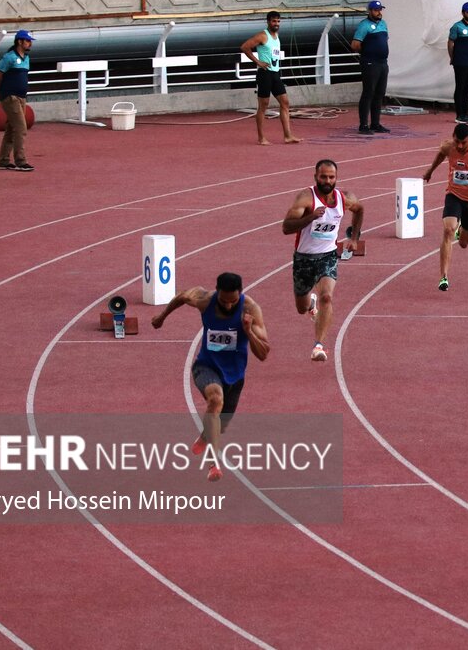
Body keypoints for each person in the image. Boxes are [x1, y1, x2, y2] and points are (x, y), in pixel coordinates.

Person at [150, 272, 270, 482]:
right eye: (224, 301)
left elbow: (264, 353)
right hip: (205, 366)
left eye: (233, 301)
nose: (229, 306)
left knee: (220, 425)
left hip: (235, 375)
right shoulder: (205, 299)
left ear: (240, 294)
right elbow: (181, 296)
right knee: (215, 400)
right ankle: (213, 463)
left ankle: (206, 437)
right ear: (217, 293)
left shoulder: (250, 309)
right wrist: (161, 317)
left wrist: (249, 332)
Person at [282, 159, 364, 361]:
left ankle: (318, 346)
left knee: (327, 297)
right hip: (303, 258)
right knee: (301, 308)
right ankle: (310, 303)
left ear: (336, 178)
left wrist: (354, 238)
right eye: (323, 177)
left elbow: (360, 209)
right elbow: (286, 227)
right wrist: (310, 217)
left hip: (328, 256)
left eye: (331, 177)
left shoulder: (344, 198)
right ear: (315, 177)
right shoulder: (306, 198)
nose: (327, 180)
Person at [422, 123, 468, 291]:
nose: (460, 146)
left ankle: (461, 229)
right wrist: (430, 171)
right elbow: (441, 155)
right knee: (448, 230)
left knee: (463, 243)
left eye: (463, 142)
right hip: (453, 195)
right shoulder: (448, 146)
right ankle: (444, 277)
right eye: (457, 142)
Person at [241, 11, 302, 145]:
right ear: (268, 21)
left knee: (285, 102)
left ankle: (287, 136)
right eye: (274, 21)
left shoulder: (276, 35)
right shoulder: (262, 35)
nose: (276, 24)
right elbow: (245, 47)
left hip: (275, 73)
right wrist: (258, 62)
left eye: (278, 21)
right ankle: (261, 138)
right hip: (264, 74)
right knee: (263, 106)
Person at [0, 29, 35, 172]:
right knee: (21, 128)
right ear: (20, 41)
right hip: (10, 97)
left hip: (21, 97)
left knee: (11, 129)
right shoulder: (9, 57)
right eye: (28, 41)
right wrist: (3, 91)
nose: (30, 44)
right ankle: (20, 161)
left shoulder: (27, 58)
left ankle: (3, 160)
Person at [351, 0, 390, 134]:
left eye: (380, 10)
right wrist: (367, 51)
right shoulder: (364, 25)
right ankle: (363, 125)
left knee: (379, 93)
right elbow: (355, 44)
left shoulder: (383, 24)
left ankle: (375, 123)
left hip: (382, 62)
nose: (378, 12)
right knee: (368, 93)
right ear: (370, 11)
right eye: (375, 10)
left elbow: (385, 40)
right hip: (370, 62)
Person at [448, 1, 468, 124]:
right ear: (463, 13)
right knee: (460, 87)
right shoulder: (457, 27)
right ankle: (459, 114)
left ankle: (466, 113)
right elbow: (450, 43)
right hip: (460, 62)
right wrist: (452, 57)